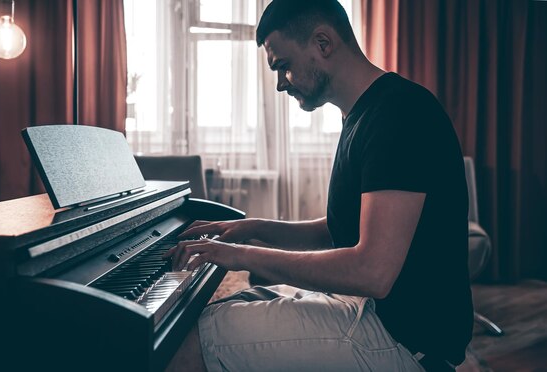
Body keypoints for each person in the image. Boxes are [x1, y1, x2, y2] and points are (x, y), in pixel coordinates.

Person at [164, 0, 473, 370]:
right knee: (226, 309)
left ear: (323, 44)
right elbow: (340, 230)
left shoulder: (400, 114)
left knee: (195, 341)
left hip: (404, 339)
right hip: (366, 309)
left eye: (284, 66)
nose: (279, 84)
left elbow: (372, 272)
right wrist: (250, 230)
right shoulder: (365, 114)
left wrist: (239, 255)